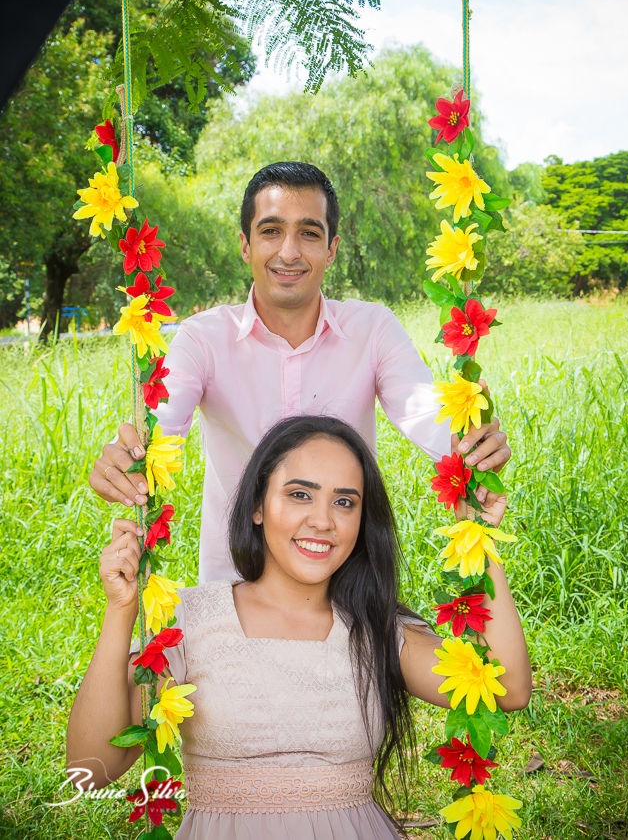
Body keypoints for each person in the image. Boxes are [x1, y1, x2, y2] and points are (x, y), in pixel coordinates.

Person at [68, 416, 531, 839]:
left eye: (344, 502)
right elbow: (89, 770)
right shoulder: (189, 621)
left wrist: (481, 538)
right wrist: (121, 610)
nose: (323, 521)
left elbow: (508, 689)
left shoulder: (376, 628)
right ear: (257, 506)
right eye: (300, 494)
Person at [89, 162, 511, 584]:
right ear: (245, 245)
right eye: (271, 231)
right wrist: (126, 461)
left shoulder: (372, 329)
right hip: (236, 584)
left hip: (345, 583)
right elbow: (160, 427)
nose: (289, 252)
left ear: (331, 249)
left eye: (309, 233)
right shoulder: (203, 339)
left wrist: (470, 442)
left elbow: (425, 412)